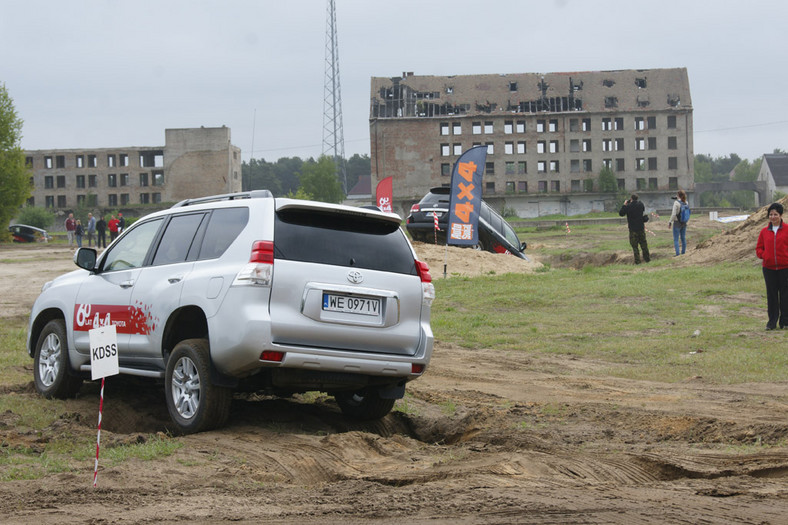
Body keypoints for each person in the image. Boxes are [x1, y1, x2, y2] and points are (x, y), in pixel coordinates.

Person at [755, 202, 788, 330]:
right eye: (771, 214)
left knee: (785, 295)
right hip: (769, 268)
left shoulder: (787, 229)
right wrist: (764, 255)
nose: (773, 217)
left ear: (780, 215)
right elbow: (759, 248)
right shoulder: (764, 231)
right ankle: (771, 322)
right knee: (772, 295)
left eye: (775, 214)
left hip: (785, 268)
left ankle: (785, 322)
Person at [619, 193, 650, 264]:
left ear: (631, 198)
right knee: (644, 244)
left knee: (635, 246)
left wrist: (624, 205)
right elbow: (642, 209)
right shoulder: (640, 204)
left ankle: (637, 261)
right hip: (641, 227)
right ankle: (647, 259)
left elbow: (621, 213)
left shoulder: (628, 206)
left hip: (633, 229)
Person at [668, 190, 688, 256]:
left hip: (677, 222)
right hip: (684, 222)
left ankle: (677, 253)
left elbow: (674, 214)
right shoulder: (686, 202)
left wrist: (670, 221)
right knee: (683, 238)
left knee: (676, 239)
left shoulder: (676, 203)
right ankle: (683, 252)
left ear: (678, 195)